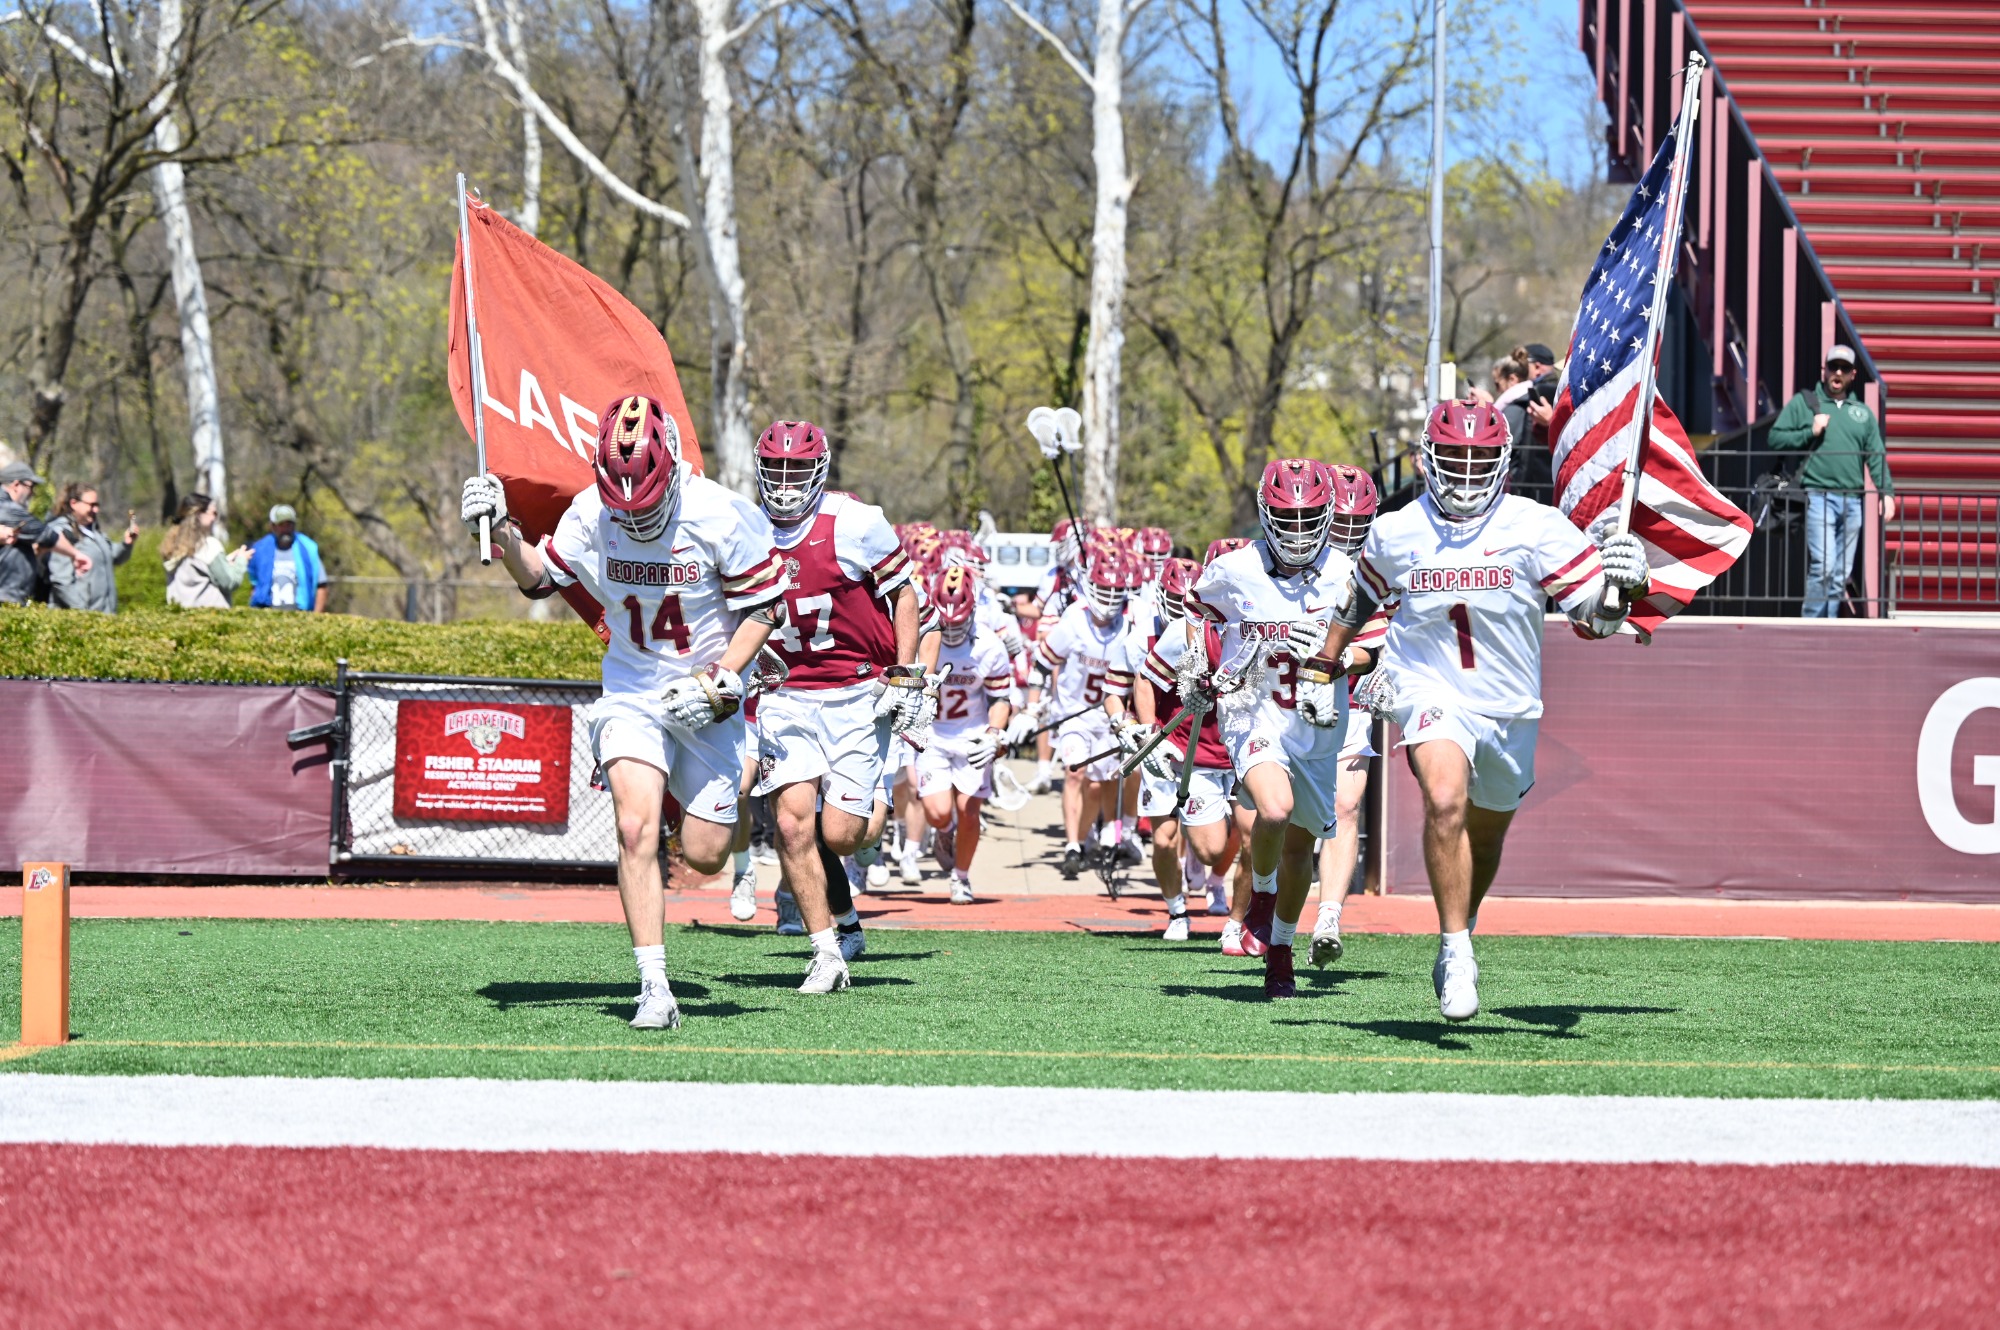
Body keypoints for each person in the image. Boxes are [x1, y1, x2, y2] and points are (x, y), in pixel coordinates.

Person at [463, 392, 790, 1029]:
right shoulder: (592, 511)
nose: (633, 516)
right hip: (633, 688)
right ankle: (654, 985)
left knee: (704, 854)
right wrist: (504, 531)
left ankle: (734, 776)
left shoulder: (721, 513)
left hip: (709, 694)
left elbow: (764, 608)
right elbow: (538, 578)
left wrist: (724, 680)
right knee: (635, 828)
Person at [1317, 401, 1650, 1022]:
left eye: (1479, 458)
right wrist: (1322, 666)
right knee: (1444, 799)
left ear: (1502, 462)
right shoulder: (1398, 529)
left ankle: (1462, 921)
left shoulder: (1538, 526)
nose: (1466, 472)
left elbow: (1595, 621)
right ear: (1428, 458)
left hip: (1510, 706)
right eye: (1455, 457)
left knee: (1488, 832)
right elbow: (1355, 596)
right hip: (1430, 690)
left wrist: (1624, 588)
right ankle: (1456, 948)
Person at [749, 419, 923, 975]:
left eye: (795, 468)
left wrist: (904, 674)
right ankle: (826, 951)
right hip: (786, 692)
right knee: (793, 825)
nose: (783, 480)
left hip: (853, 691)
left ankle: (870, 817)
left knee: (841, 836)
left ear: (819, 469)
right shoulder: (744, 527)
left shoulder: (854, 522)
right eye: (774, 468)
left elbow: (907, 598)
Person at [1183, 459, 1357, 1000]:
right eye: (1288, 518)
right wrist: (1197, 663)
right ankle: (1259, 897)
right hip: (1251, 710)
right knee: (1274, 809)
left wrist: (1352, 661)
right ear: (1265, 514)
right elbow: (1196, 608)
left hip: (1316, 722)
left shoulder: (1347, 571)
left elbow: (1382, 629)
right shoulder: (1236, 567)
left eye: (1310, 519)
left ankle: (1280, 949)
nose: (1299, 531)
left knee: (1300, 846)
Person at [1307, 465, 1389, 968]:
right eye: (1342, 523)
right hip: (1289, 700)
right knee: (1277, 820)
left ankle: (1328, 916)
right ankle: (1262, 906)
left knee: (1345, 807)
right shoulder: (1293, 562)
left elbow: (1406, 623)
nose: (1350, 534)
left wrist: (1390, 665)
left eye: (1361, 523)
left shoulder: (1383, 557)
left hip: (1352, 696)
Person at [1767, 344, 1894, 618]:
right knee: (1823, 566)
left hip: (1853, 502)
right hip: (1818, 496)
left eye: (1844, 368)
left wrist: (1887, 493)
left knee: (1841, 573)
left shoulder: (1861, 413)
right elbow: (1775, 438)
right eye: (1833, 367)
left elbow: (1876, 455)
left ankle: (1831, 624)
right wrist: (1809, 431)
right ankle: (1811, 623)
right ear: (1823, 371)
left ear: (1853, 374)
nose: (1838, 372)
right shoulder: (1805, 402)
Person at [915, 565, 1015, 903]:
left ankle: (961, 877)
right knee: (939, 812)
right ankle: (943, 833)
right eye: (947, 620)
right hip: (931, 733)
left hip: (972, 733)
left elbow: (1001, 698)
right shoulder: (920, 636)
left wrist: (994, 733)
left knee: (970, 810)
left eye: (960, 620)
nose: (953, 629)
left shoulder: (989, 644)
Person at [1038, 550, 1132, 880]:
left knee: (1098, 785)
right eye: (1103, 591)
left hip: (1109, 718)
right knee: (1075, 772)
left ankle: (1094, 833)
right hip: (1074, 713)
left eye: (1114, 593)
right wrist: (1035, 703)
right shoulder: (1074, 620)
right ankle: (1073, 845)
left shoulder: (1129, 627)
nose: (1108, 600)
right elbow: (1044, 659)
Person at [0, 462, 92, 606]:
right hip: (5, 598)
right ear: (16, 485)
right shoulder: (7, 509)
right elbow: (47, 536)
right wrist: (77, 555)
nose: (33, 493)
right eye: (31, 487)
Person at [46, 483, 134, 613]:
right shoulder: (62, 534)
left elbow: (114, 557)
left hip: (104, 616)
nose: (96, 510)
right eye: (91, 505)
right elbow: (61, 581)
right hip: (79, 617)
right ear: (74, 503)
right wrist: (82, 611)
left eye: (97, 505)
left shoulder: (95, 533)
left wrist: (127, 544)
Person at [160, 493, 247, 608]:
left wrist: (224, 561)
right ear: (198, 514)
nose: (215, 518)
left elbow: (197, 576)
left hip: (180, 618)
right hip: (210, 620)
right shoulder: (209, 545)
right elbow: (229, 582)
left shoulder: (172, 546)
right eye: (213, 513)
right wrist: (241, 560)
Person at [246, 504, 329, 612]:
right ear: (273, 526)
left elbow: (321, 586)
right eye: (281, 524)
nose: (286, 529)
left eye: (289, 524)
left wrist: (316, 617)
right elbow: (255, 586)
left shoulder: (308, 548)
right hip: (268, 612)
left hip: (300, 612)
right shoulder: (261, 550)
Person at [1515, 342, 1561, 503]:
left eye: (1521, 366)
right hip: (1548, 482)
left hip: (1540, 484)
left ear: (1536, 367)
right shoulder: (1558, 390)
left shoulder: (1542, 392)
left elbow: (1529, 449)